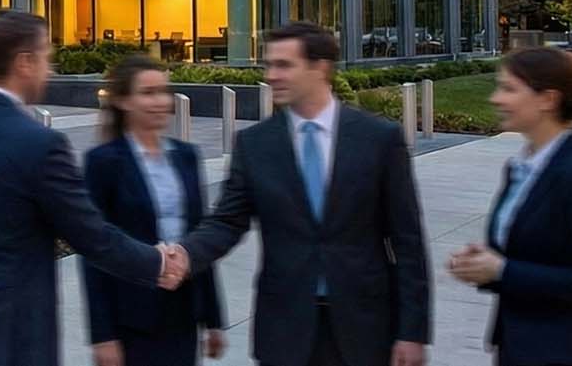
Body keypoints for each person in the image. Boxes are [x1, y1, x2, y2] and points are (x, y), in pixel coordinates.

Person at [0, 11, 185, 366]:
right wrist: (156, 261)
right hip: (7, 346)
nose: (51, 69)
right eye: (46, 57)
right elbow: (92, 235)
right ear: (24, 63)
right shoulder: (39, 145)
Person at [179, 22, 430, 366]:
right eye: (269, 65)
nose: (271, 75)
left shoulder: (379, 140)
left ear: (320, 67)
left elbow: (408, 242)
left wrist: (412, 331)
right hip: (285, 328)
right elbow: (227, 221)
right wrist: (185, 255)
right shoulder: (255, 144)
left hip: (364, 327)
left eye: (284, 65)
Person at [445, 47, 572, 366]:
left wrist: (503, 269)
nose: (496, 99)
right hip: (515, 346)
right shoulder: (520, 169)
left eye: (509, 89)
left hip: (564, 351)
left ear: (547, 99)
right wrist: (483, 265)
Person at [83, 56, 227, 366]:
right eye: (147, 93)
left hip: (183, 311)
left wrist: (214, 319)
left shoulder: (187, 156)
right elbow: (94, 250)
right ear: (123, 100)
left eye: (163, 91)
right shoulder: (103, 162)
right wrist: (102, 334)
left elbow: (199, 237)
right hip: (131, 315)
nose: (160, 101)